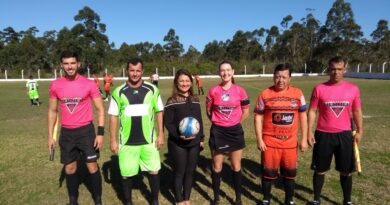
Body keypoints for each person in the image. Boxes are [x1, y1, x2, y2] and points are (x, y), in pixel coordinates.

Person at [47, 50, 105, 205]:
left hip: (86, 132)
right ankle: (73, 200)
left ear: (78, 64)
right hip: (67, 133)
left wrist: (100, 133)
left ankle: (98, 200)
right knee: (70, 168)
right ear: (61, 65)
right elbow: (53, 111)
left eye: (72, 63)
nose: (70, 67)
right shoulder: (55, 85)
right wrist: (51, 136)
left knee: (92, 166)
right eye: (66, 64)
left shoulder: (89, 84)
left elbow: (100, 109)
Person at [308, 56, 363, 205]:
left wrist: (359, 131)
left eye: (339, 69)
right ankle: (316, 200)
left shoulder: (353, 89)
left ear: (345, 69)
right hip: (323, 134)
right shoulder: (319, 88)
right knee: (320, 170)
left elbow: (357, 111)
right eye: (333, 69)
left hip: (344, 134)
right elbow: (312, 110)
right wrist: (309, 131)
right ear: (328, 69)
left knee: (346, 171)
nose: (336, 72)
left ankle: (347, 201)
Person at [108, 58, 164, 205]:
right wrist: (113, 140)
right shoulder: (118, 92)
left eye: (138, 70)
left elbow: (159, 112)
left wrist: (161, 134)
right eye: (132, 70)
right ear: (127, 71)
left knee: (154, 171)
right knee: (126, 175)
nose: (135, 74)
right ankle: (128, 202)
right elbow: (113, 117)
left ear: (142, 71)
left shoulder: (153, 90)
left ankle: (154, 201)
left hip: (149, 140)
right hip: (127, 142)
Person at [254, 64, 308, 205]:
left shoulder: (298, 94)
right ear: (273, 77)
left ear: (290, 78)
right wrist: (259, 139)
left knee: (289, 175)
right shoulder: (265, 94)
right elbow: (258, 117)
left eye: (284, 77)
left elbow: (303, 116)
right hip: (270, 143)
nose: (280, 80)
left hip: (290, 144)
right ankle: (266, 199)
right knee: (268, 174)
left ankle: (289, 200)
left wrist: (304, 138)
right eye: (277, 76)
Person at [206, 60, 250, 205]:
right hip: (218, 131)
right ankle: (216, 198)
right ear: (219, 73)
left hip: (234, 132)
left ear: (233, 72)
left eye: (228, 70)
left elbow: (246, 112)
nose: (225, 73)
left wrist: (234, 124)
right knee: (217, 166)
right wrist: (219, 123)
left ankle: (238, 198)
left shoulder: (240, 91)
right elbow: (208, 111)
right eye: (222, 70)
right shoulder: (213, 91)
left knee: (236, 166)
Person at [164, 69, 205, 205]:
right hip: (177, 143)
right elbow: (168, 123)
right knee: (179, 171)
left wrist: (201, 139)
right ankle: (179, 200)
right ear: (176, 82)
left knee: (190, 171)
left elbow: (198, 120)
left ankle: (186, 198)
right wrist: (179, 135)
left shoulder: (195, 99)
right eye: (181, 81)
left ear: (191, 83)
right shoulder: (171, 101)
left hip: (194, 143)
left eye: (187, 81)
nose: (184, 83)